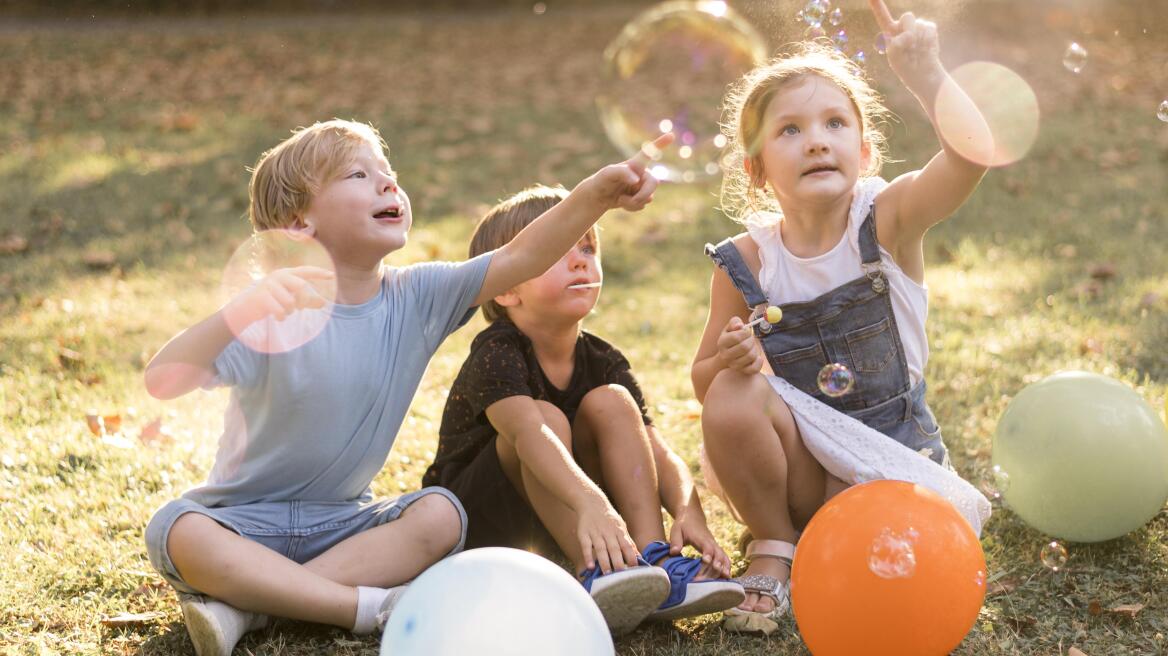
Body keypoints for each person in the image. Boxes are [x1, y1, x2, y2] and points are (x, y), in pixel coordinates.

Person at [142, 119, 671, 655]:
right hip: (242, 526)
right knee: (176, 527)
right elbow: (162, 380)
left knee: (441, 514)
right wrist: (237, 313)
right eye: (358, 174)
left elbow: (519, 258)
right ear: (299, 221)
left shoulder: (418, 297)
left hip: (343, 525)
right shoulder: (264, 313)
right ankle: (361, 607)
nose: (388, 184)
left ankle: (247, 607)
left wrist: (594, 196)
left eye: (389, 173)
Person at [691, 0, 993, 635]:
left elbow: (972, 158)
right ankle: (774, 542)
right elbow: (706, 385)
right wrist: (734, 358)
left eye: (835, 123)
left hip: (891, 463)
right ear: (757, 168)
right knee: (730, 393)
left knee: (886, 572)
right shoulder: (745, 262)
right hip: (804, 470)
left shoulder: (887, 221)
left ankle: (827, 538)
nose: (818, 139)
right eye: (790, 130)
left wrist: (927, 72)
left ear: (865, 148)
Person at [422, 185, 744, 635]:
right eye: (558, 250)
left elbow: (656, 449)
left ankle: (652, 561)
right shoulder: (495, 352)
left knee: (612, 401)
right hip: (485, 521)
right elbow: (527, 435)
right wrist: (592, 501)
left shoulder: (602, 358)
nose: (580, 260)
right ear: (506, 288)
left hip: (580, 513)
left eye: (588, 247)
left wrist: (689, 511)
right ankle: (597, 573)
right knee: (545, 420)